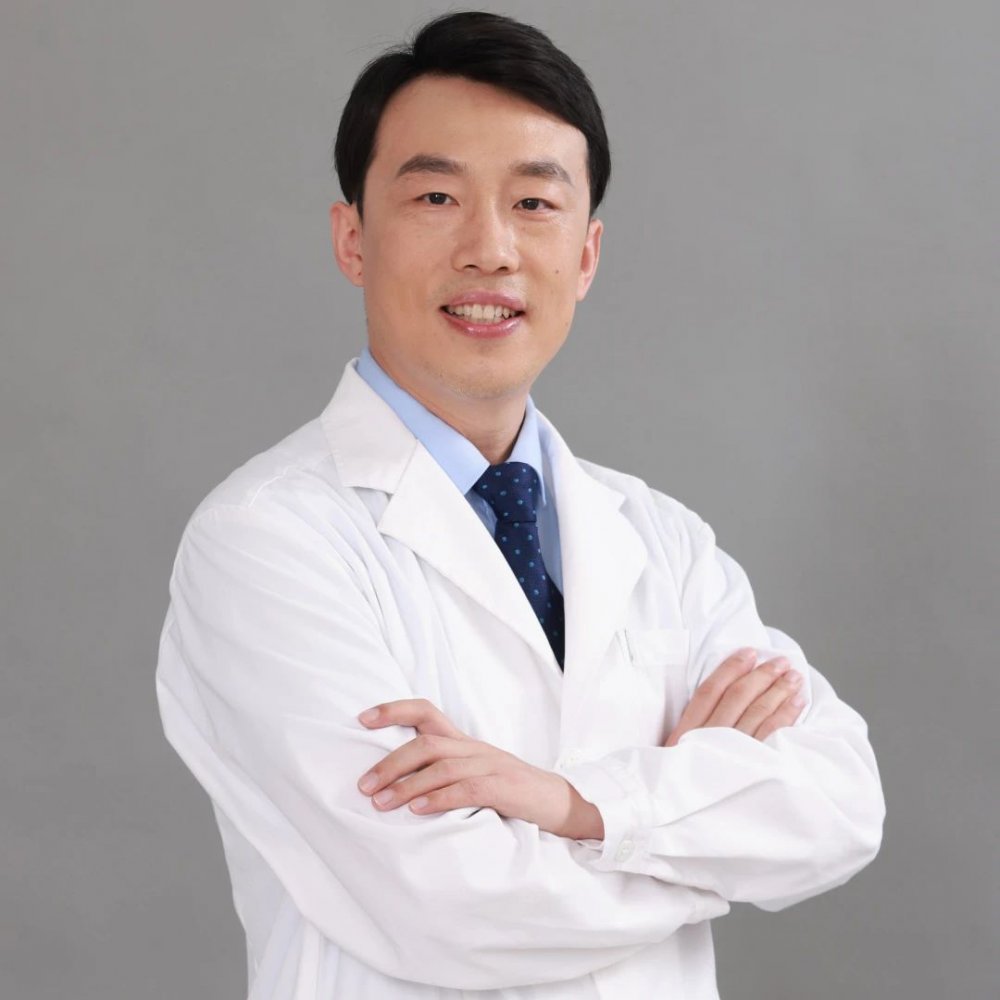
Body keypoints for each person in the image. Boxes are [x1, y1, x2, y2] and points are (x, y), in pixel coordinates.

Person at [155, 11, 885, 999]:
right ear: (352, 238)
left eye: (534, 203)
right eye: (436, 196)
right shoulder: (267, 541)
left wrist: (573, 802)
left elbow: (839, 804)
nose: (489, 248)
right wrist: (701, 830)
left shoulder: (661, 539)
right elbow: (447, 910)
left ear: (585, 256)